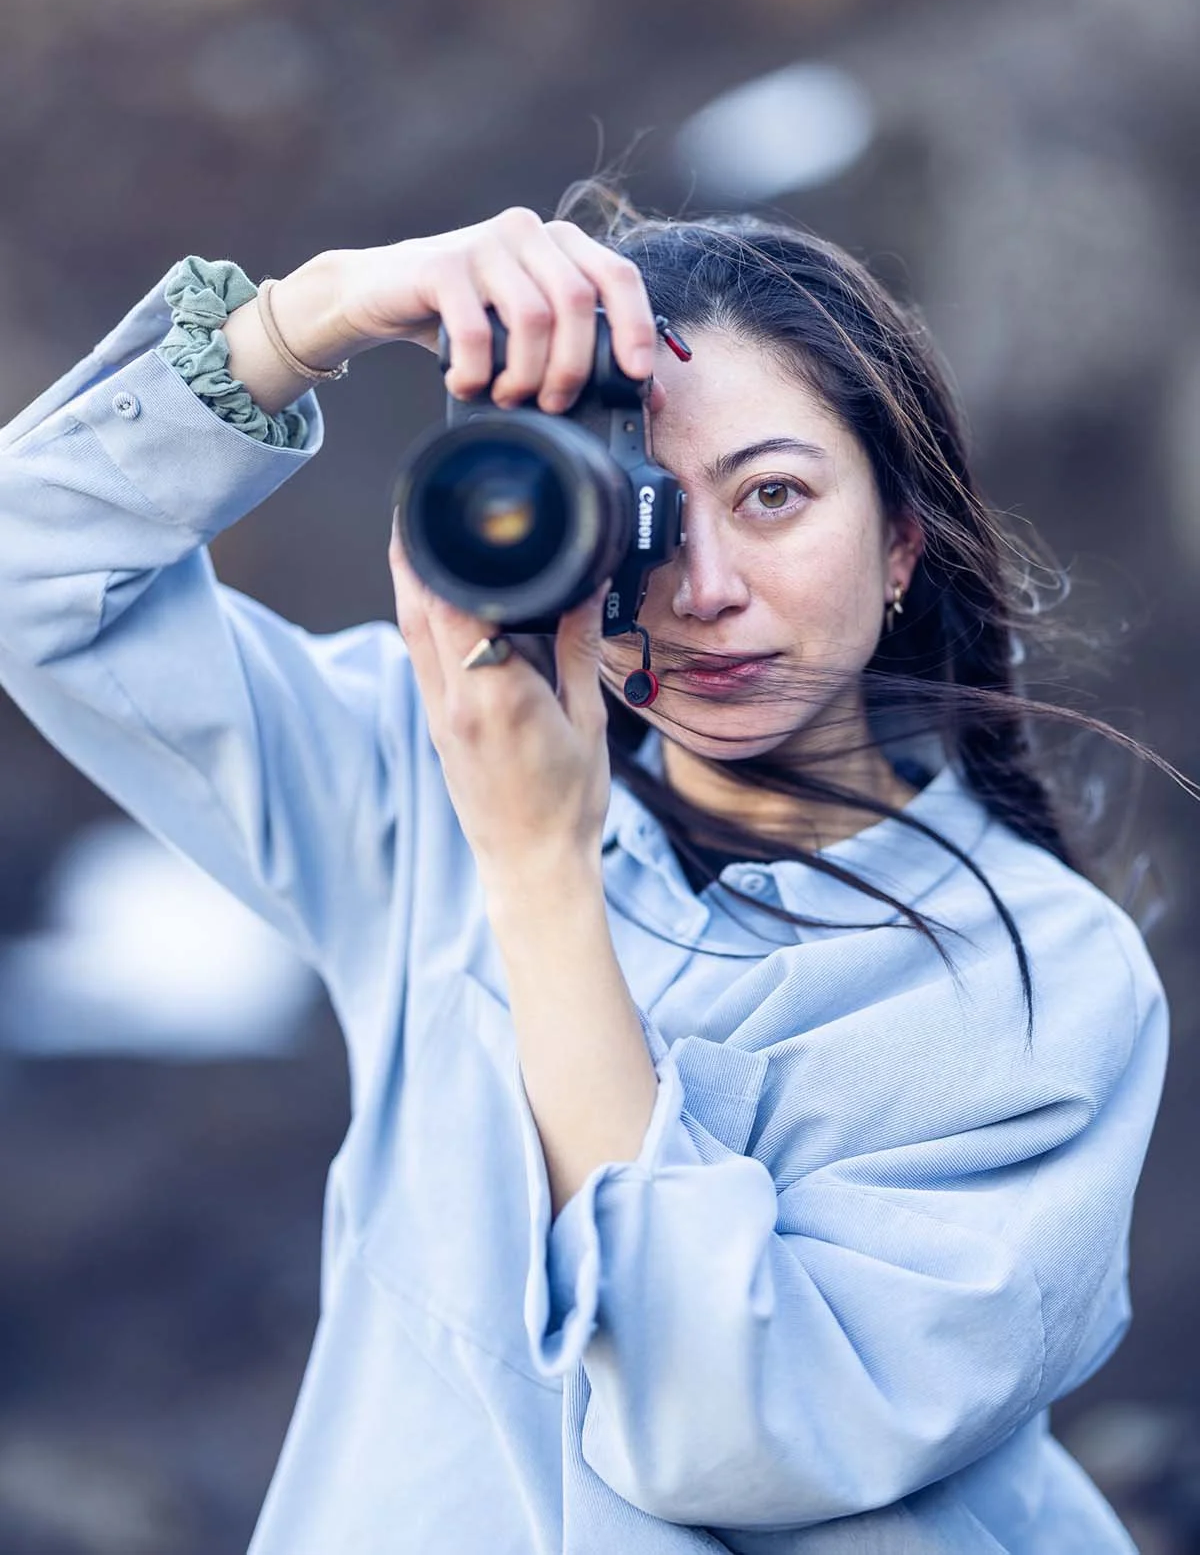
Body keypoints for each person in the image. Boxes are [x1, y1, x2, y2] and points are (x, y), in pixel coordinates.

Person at [0, 197, 1170, 1554]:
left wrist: (537, 866)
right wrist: (315, 309)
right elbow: (35, 570)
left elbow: (720, 1426)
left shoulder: (1042, 984)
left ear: (902, 539)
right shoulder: (427, 768)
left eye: (774, 495)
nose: (707, 584)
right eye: (647, 513)